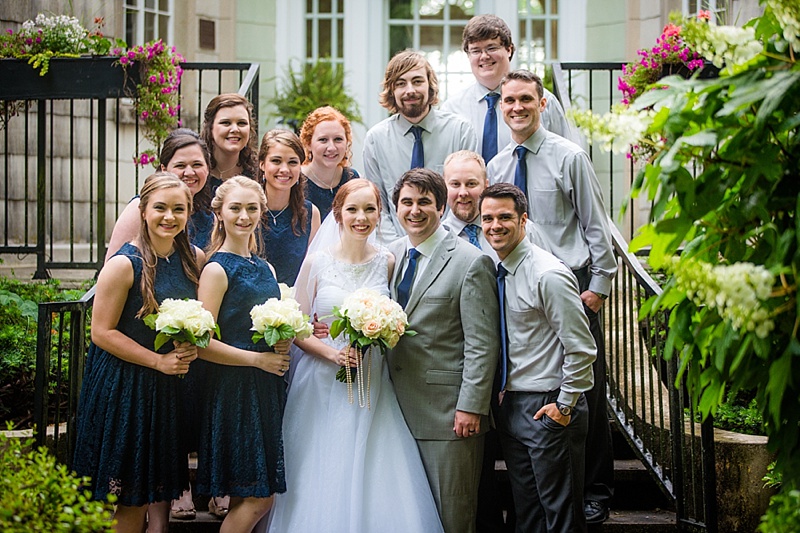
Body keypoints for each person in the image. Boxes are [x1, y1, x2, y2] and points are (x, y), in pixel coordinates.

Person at [265, 179, 444, 533]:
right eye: (353, 209)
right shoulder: (316, 263)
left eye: (369, 209)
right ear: (338, 213)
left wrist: (380, 335)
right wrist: (331, 355)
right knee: (320, 462)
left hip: (372, 379)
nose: (361, 218)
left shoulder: (388, 261)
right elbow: (297, 326)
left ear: (379, 214)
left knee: (375, 458)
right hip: (320, 379)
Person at [487, 69, 617, 525]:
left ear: (543, 105)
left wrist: (597, 289)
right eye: (509, 101)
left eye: (526, 99)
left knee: (586, 394)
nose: (517, 107)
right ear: (500, 107)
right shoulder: (497, 165)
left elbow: (597, 227)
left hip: (572, 286)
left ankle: (594, 491)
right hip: (521, 284)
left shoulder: (570, 157)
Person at [73, 173, 203, 533]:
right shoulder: (122, 264)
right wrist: (158, 361)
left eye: (179, 209)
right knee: (130, 502)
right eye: (160, 207)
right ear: (143, 210)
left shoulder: (194, 258)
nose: (169, 216)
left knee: (153, 491)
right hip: (125, 389)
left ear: (189, 212)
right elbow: (101, 333)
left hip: (167, 393)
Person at [387, 168, 499, 533]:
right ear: (396, 208)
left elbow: (482, 344)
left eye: (424, 202)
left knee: (452, 517)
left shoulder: (470, 261)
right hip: (392, 414)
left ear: (441, 206)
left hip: (447, 416)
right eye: (407, 202)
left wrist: (471, 406)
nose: (415, 210)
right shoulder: (392, 257)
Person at [480, 182, 596, 533]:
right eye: (487, 218)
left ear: (524, 219)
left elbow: (581, 347)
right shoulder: (496, 269)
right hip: (512, 407)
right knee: (527, 515)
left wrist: (564, 406)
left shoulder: (548, 274)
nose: (495, 225)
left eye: (504, 217)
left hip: (549, 406)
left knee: (561, 518)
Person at [194, 176, 292, 532]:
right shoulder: (217, 269)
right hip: (233, 390)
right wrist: (257, 360)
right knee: (259, 497)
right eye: (235, 208)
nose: (244, 216)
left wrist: (280, 340)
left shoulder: (265, 267)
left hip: (265, 389)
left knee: (246, 493)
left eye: (252, 208)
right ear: (219, 213)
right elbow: (201, 344)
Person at [363, 50, 477, 241]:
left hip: (451, 245)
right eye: (401, 83)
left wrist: (443, 243)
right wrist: (399, 248)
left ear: (430, 85)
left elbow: (467, 197)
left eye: (417, 81)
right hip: (397, 249)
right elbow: (377, 204)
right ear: (392, 90)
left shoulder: (460, 131)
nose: (410, 90)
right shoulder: (376, 139)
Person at [441, 14, 574, 166]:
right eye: (476, 51)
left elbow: (566, 156)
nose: (484, 56)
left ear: (509, 49)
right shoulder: (452, 109)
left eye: (491, 48)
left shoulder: (543, 101)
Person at [105, 129, 215, 262]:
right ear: (164, 169)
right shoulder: (139, 208)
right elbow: (111, 267)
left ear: (208, 169)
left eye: (197, 164)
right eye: (180, 165)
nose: (189, 172)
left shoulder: (209, 217)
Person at [442, 149, 549, 263]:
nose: (463, 193)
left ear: (486, 185)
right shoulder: (439, 238)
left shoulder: (522, 229)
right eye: (455, 184)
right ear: (444, 187)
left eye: (471, 184)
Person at [257, 129, 321, 285]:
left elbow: (313, 271)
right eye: (276, 161)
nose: (284, 169)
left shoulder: (311, 213)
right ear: (262, 164)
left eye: (292, 162)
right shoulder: (248, 210)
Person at [298, 105, 361, 220]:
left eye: (338, 139)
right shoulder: (296, 180)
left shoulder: (352, 179)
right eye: (323, 140)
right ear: (308, 143)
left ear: (347, 142)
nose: (331, 147)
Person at [201, 93, 259, 189]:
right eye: (226, 123)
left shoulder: (260, 174)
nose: (235, 129)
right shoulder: (197, 173)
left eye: (241, 123)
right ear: (210, 128)